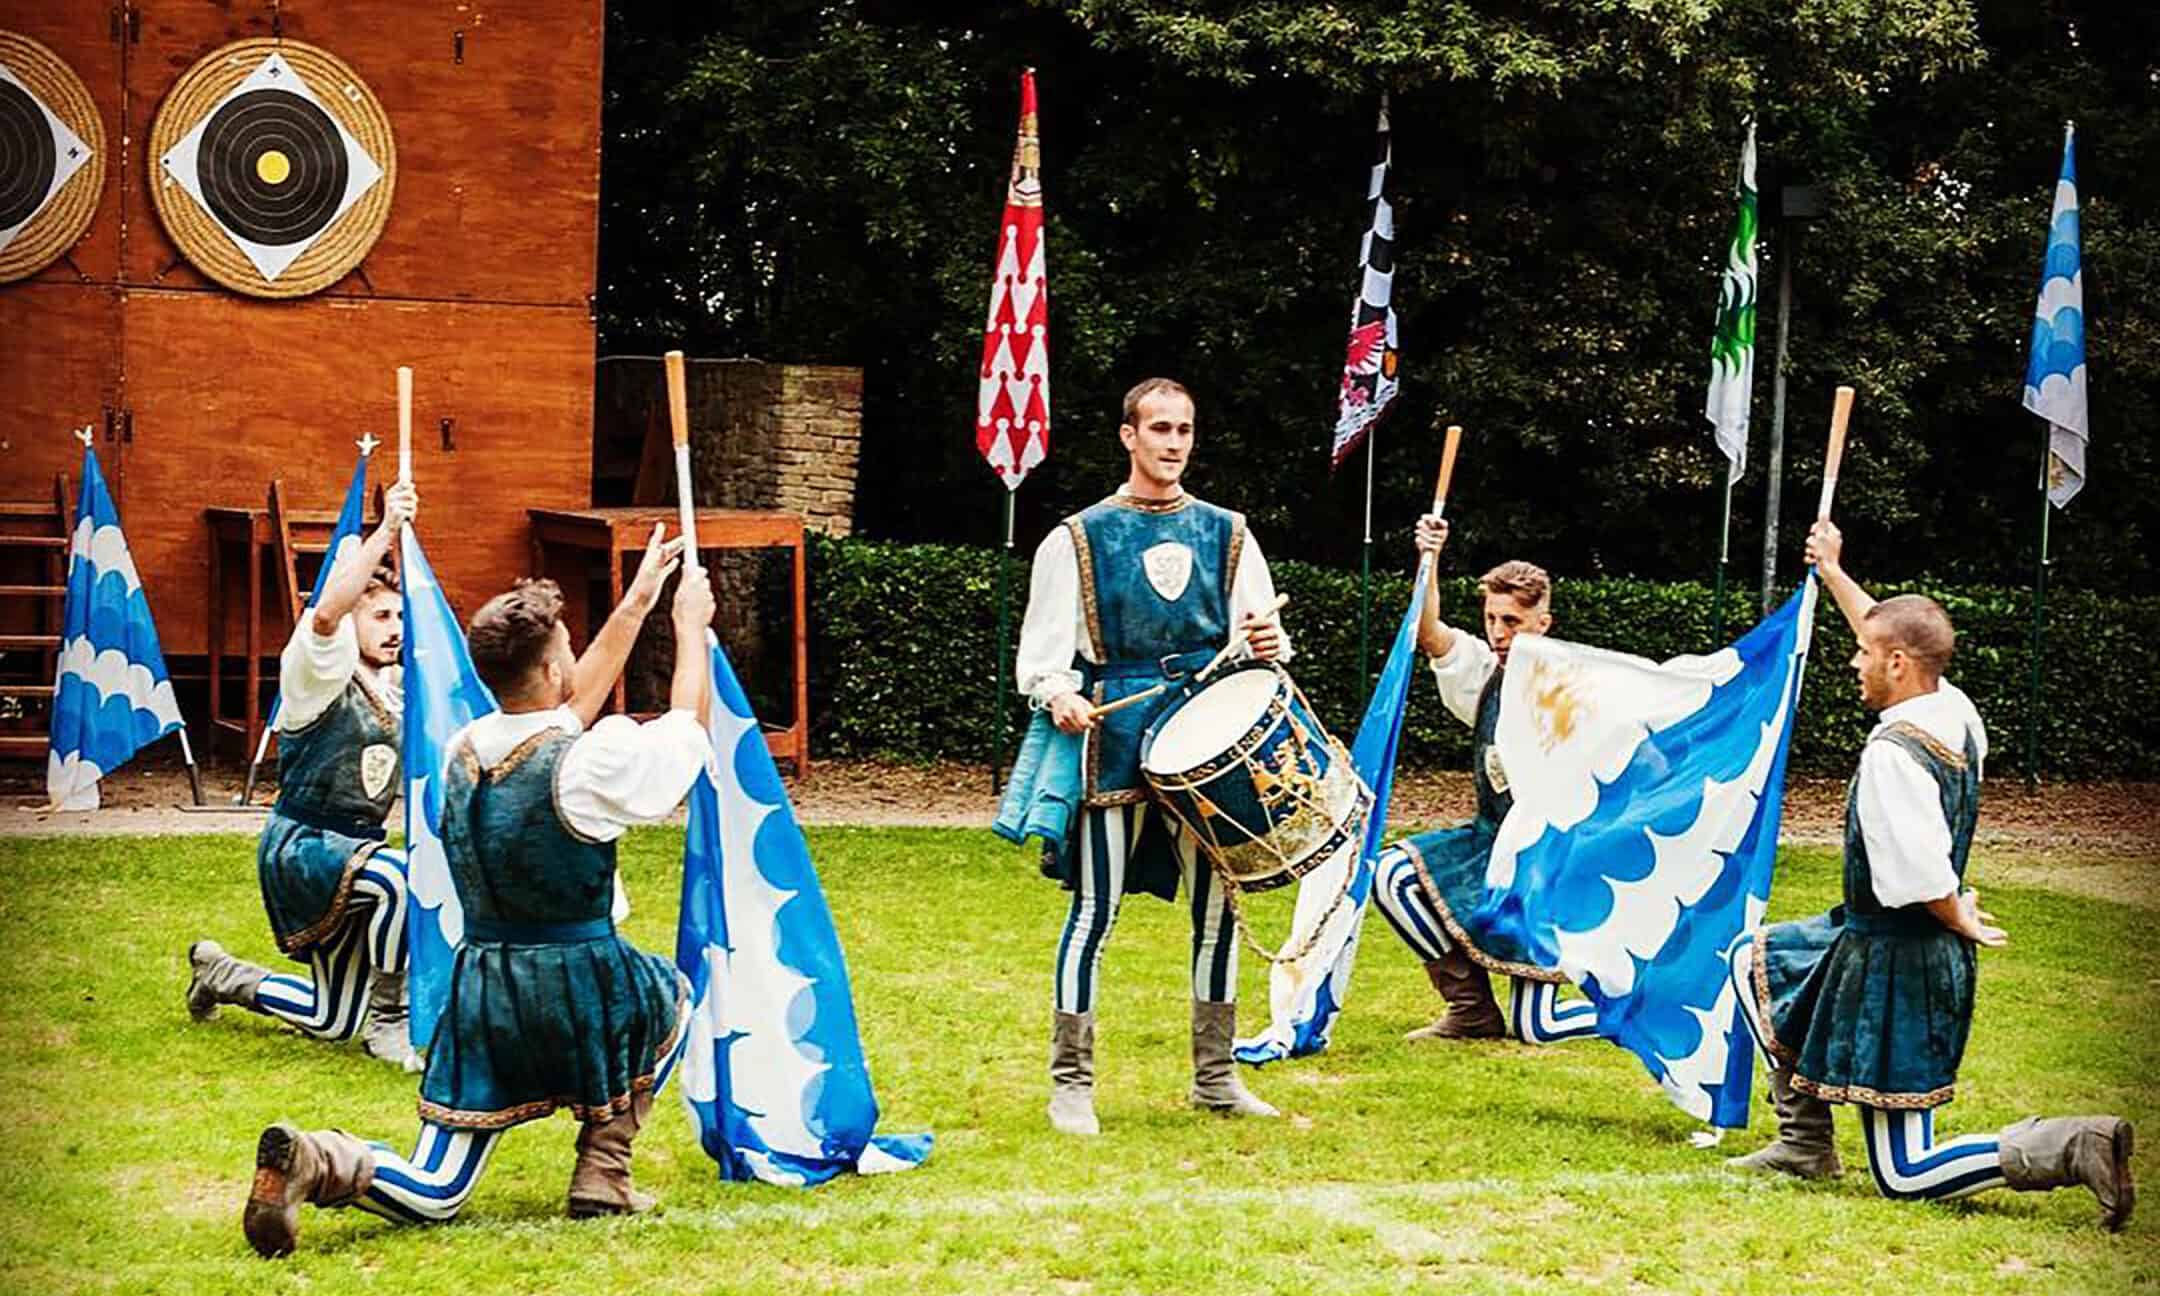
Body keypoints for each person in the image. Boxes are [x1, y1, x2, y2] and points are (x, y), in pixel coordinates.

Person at [240, 530, 715, 1257]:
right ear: (555, 666)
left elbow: (565, 707)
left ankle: (321, 1159)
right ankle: (604, 1170)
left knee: (437, 1188)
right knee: (671, 995)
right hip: (581, 982)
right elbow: (686, 733)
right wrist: (690, 631)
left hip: (482, 990)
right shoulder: (588, 758)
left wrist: (642, 596)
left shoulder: (465, 748)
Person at [1726, 519, 2133, 1230]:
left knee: (1906, 1174)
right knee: (1753, 960)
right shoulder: (1952, 709)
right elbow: (1892, 630)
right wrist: (1832, 571)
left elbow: (1915, 874)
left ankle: (2074, 1144)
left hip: (1901, 957)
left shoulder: (1893, 754)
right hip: (1873, 941)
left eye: (1862, 654)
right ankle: (1804, 1143)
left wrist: (1958, 915)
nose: (1853, 662)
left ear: (1896, 667)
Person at [1016, 377, 1288, 1136]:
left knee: (1217, 914)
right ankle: (1071, 1084)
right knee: (1094, 913)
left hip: (1210, 736)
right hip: (1118, 737)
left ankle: (1217, 1077)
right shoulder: (1077, 537)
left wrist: (1269, 642)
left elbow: (1263, 635)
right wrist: (1059, 695)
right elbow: (1041, 659)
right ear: (1128, 436)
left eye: (1185, 430)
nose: (1174, 442)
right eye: (1160, 428)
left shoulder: (1228, 532)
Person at [186, 480, 425, 1070]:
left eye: (400, 615)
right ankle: (390, 1022)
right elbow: (325, 614)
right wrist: (386, 533)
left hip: (357, 849)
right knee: (404, 880)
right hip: (305, 845)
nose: (394, 627)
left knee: (328, 1019)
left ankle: (220, 972)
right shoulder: (317, 671)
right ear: (353, 619)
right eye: (380, 615)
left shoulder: (398, 688)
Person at [1368, 515, 1598, 1046]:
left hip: (1546, 865)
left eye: (1512, 621)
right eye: (1491, 617)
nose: (1497, 632)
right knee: (1390, 877)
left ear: (1543, 622)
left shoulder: (1573, 692)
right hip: (1489, 842)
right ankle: (1470, 1009)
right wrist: (1430, 558)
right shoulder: (1483, 669)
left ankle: (1635, 1020)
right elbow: (1429, 635)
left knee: (1537, 1027)